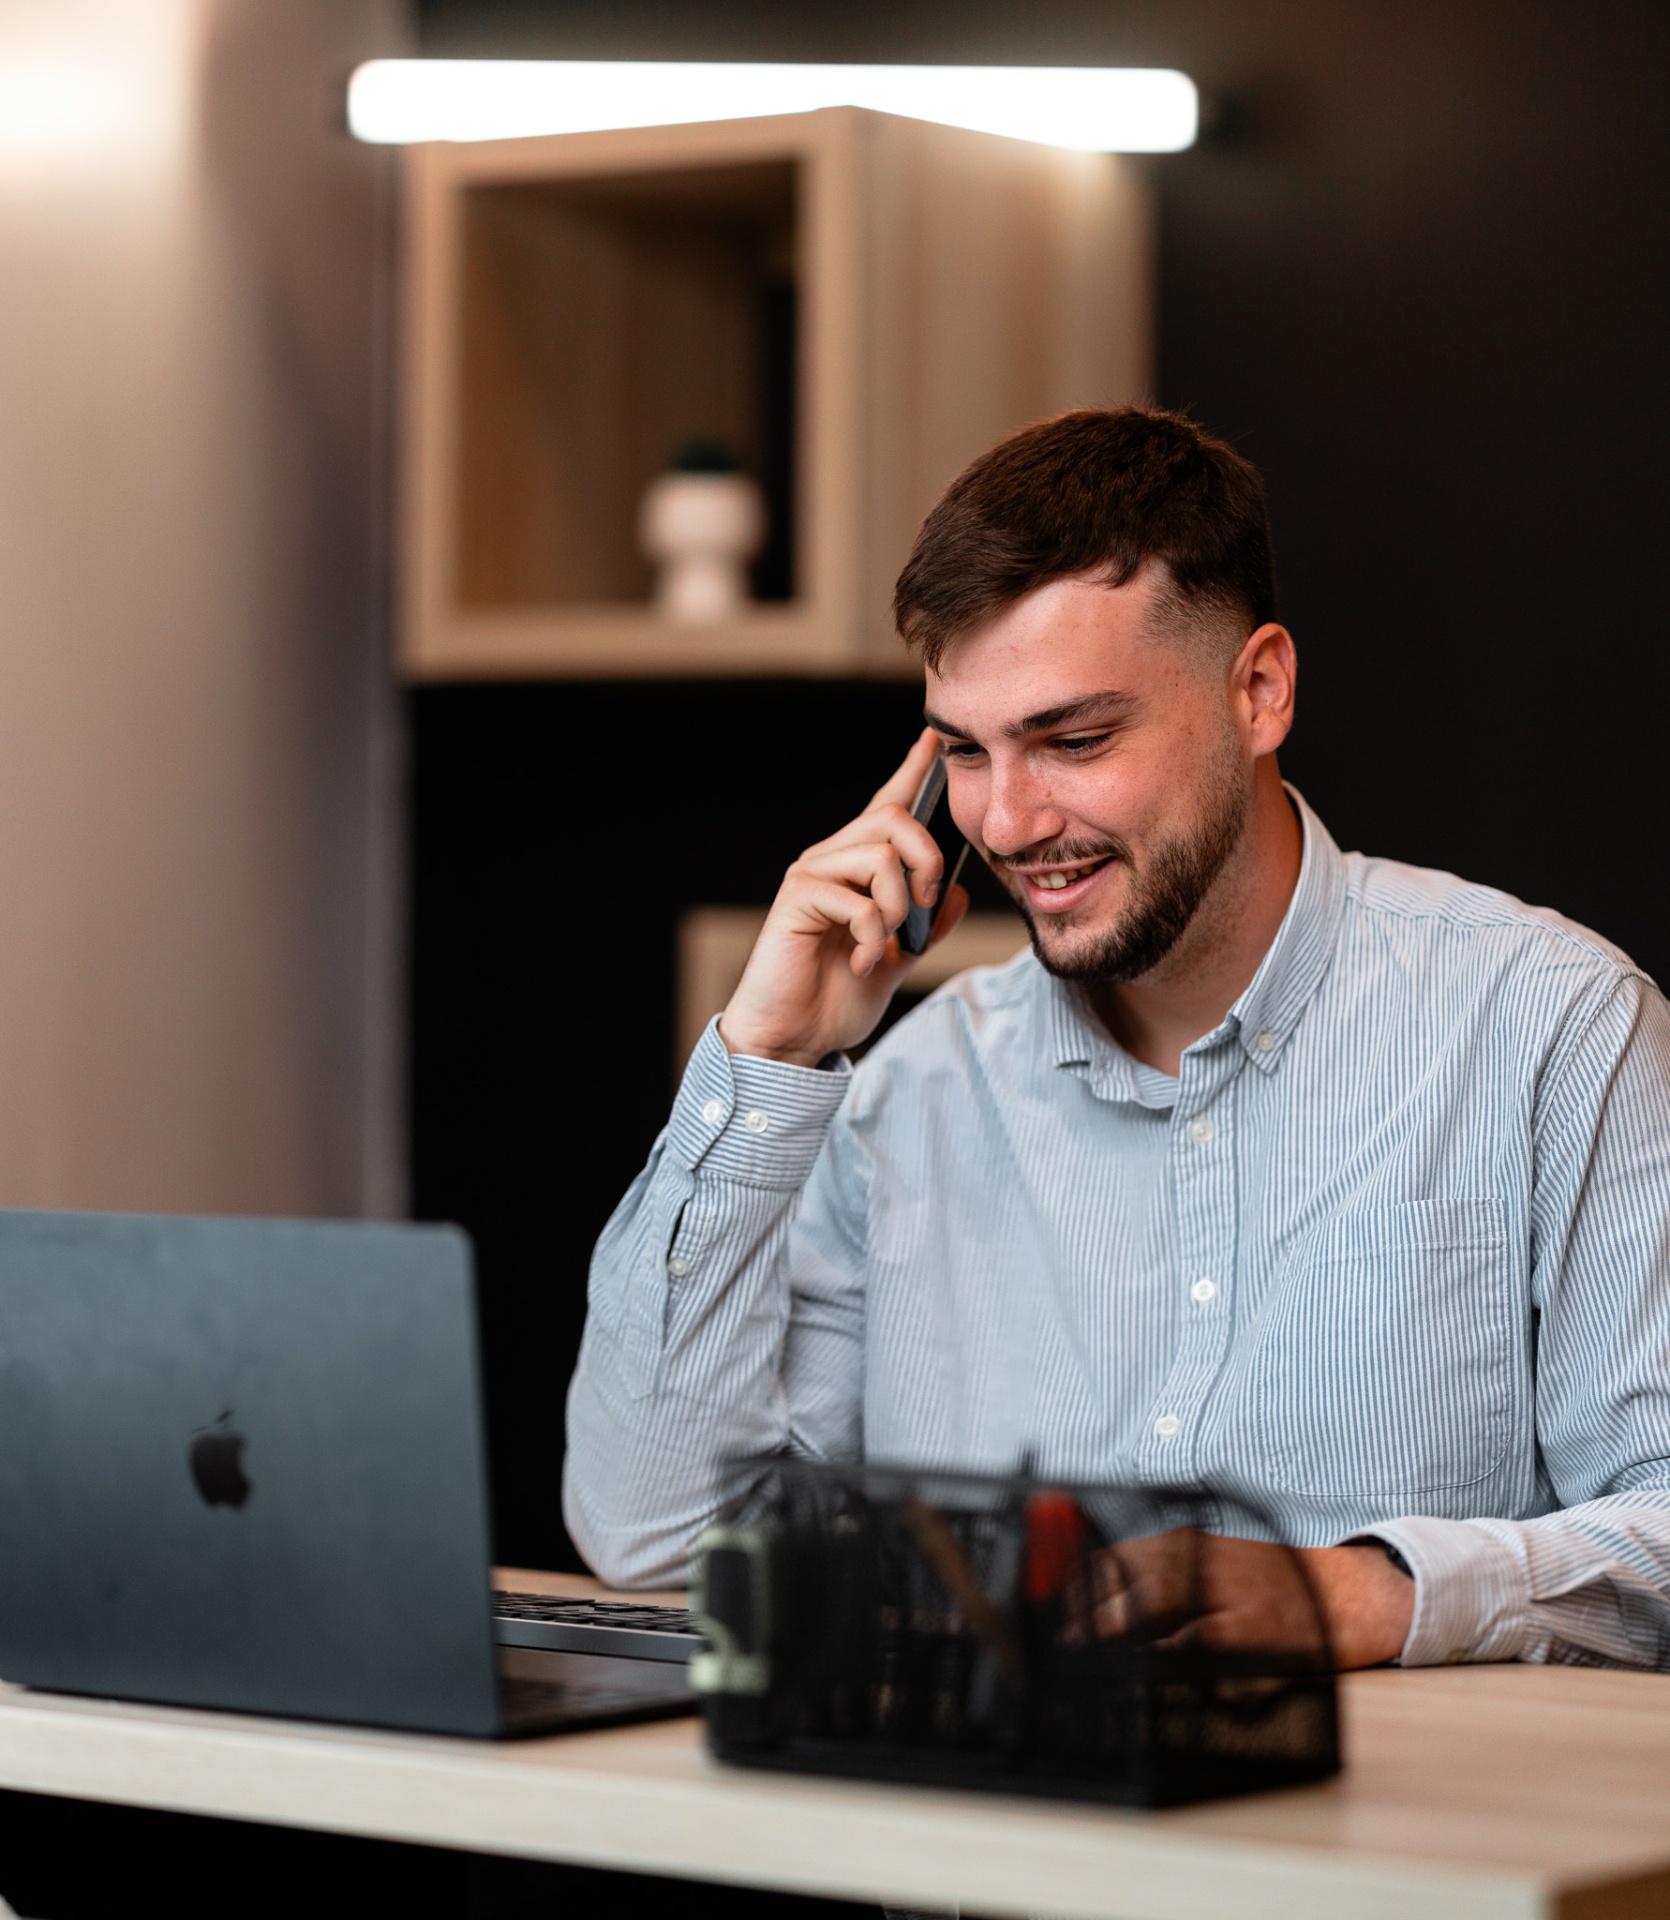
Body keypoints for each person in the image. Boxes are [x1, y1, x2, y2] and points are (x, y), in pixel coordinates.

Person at [565, 406, 1670, 1669]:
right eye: (965, 754)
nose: (1011, 819)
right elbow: (654, 1537)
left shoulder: (1546, 1027)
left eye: (1073, 740)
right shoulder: (904, 1095)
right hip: (1004, 1860)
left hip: (1378, 1858)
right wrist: (763, 1060)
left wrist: (1369, 1596)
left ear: (1258, 690)